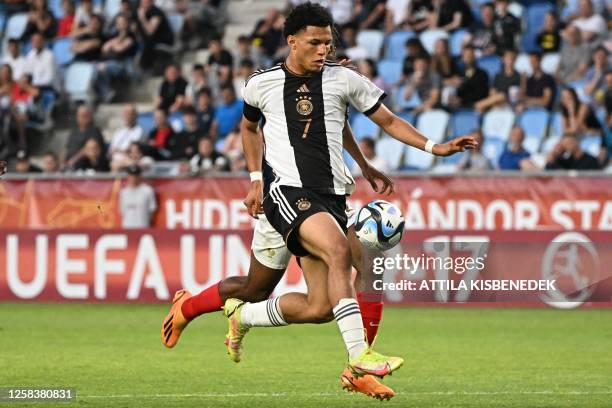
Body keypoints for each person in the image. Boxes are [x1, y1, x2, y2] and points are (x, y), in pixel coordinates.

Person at [161, 1, 475, 400]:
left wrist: (427, 149)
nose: (323, 50)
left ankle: (223, 312)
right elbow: (248, 127)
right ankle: (359, 357)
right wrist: (256, 179)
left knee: (311, 302)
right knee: (341, 251)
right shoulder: (262, 83)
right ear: (292, 42)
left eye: (328, 42)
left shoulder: (344, 79)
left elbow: (381, 121)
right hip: (285, 193)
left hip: (332, 197)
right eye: (314, 43)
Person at [475, 48, 521, 112]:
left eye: (511, 58)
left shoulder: (518, 76)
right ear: (503, 60)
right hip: (497, 103)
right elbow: (493, 90)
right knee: (496, 95)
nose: (509, 60)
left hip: (509, 102)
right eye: (507, 58)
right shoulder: (498, 75)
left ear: (515, 60)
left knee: (502, 96)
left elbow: (516, 94)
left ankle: (480, 104)